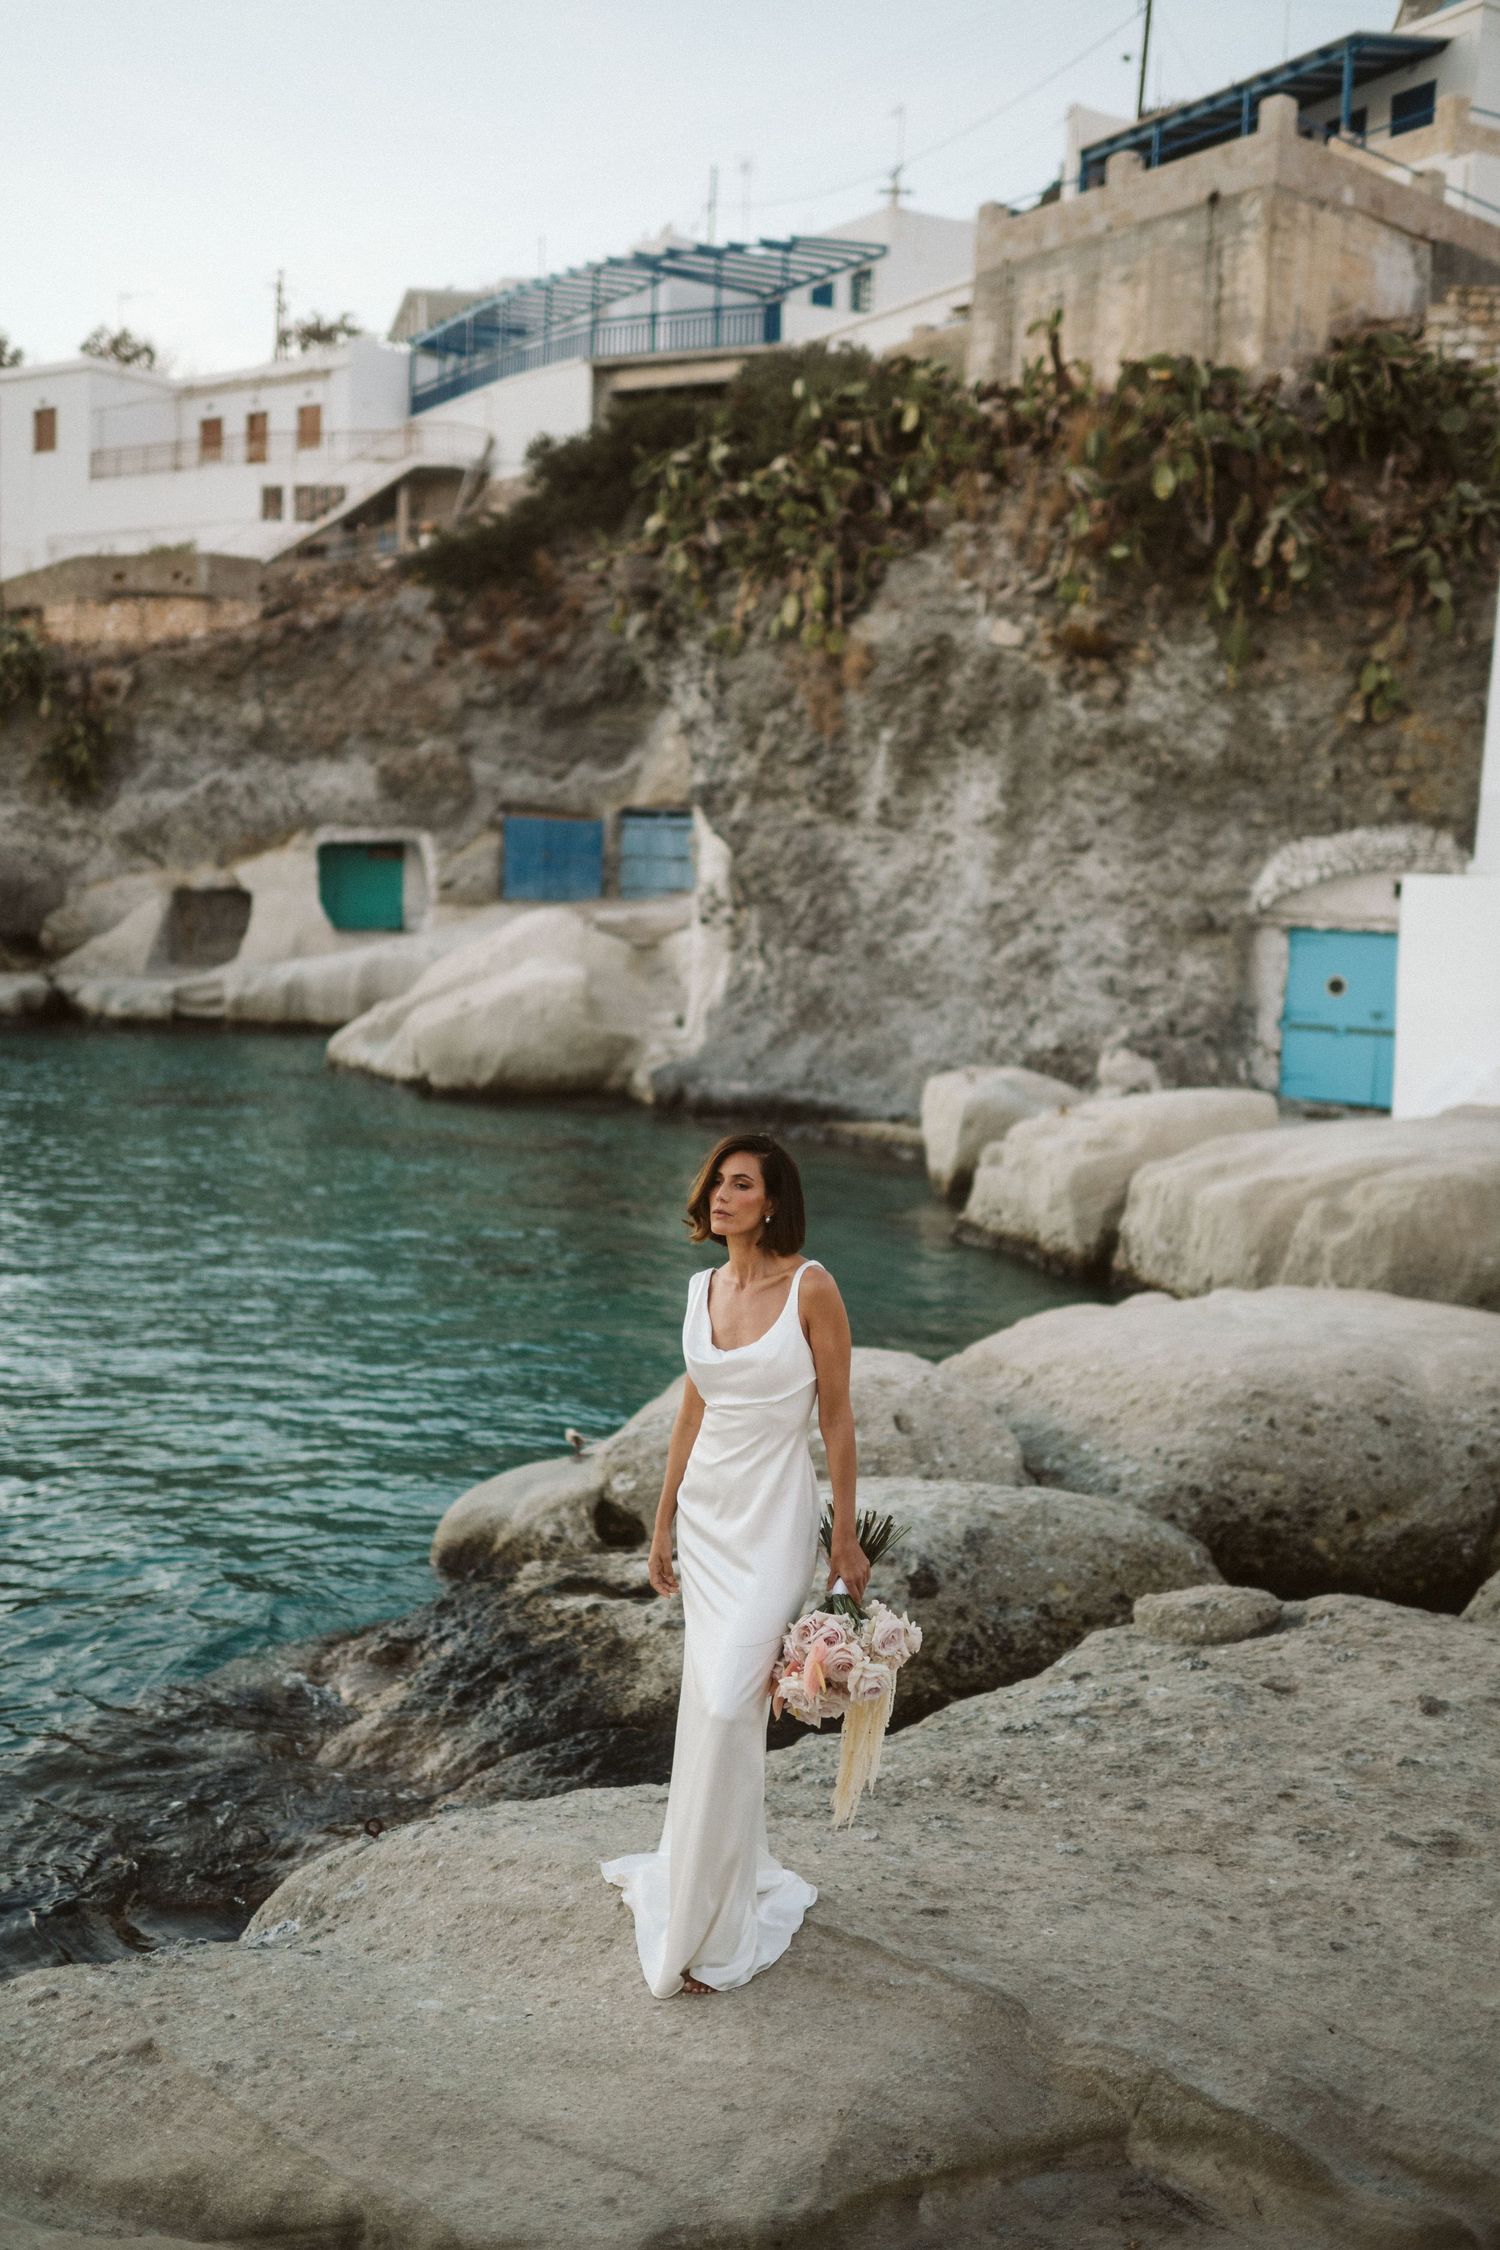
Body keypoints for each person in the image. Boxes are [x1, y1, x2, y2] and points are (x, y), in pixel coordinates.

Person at [599, 1129, 868, 1998]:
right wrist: (662, 1519)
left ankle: (712, 1923)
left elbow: (837, 1419)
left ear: (772, 1200)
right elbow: (691, 1415)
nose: (721, 1196)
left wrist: (845, 1534)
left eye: (741, 1184)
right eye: (717, 1181)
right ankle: (710, 1874)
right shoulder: (701, 1288)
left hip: (772, 1524)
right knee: (709, 1704)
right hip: (708, 1523)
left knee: (726, 1705)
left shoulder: (812, 1287)